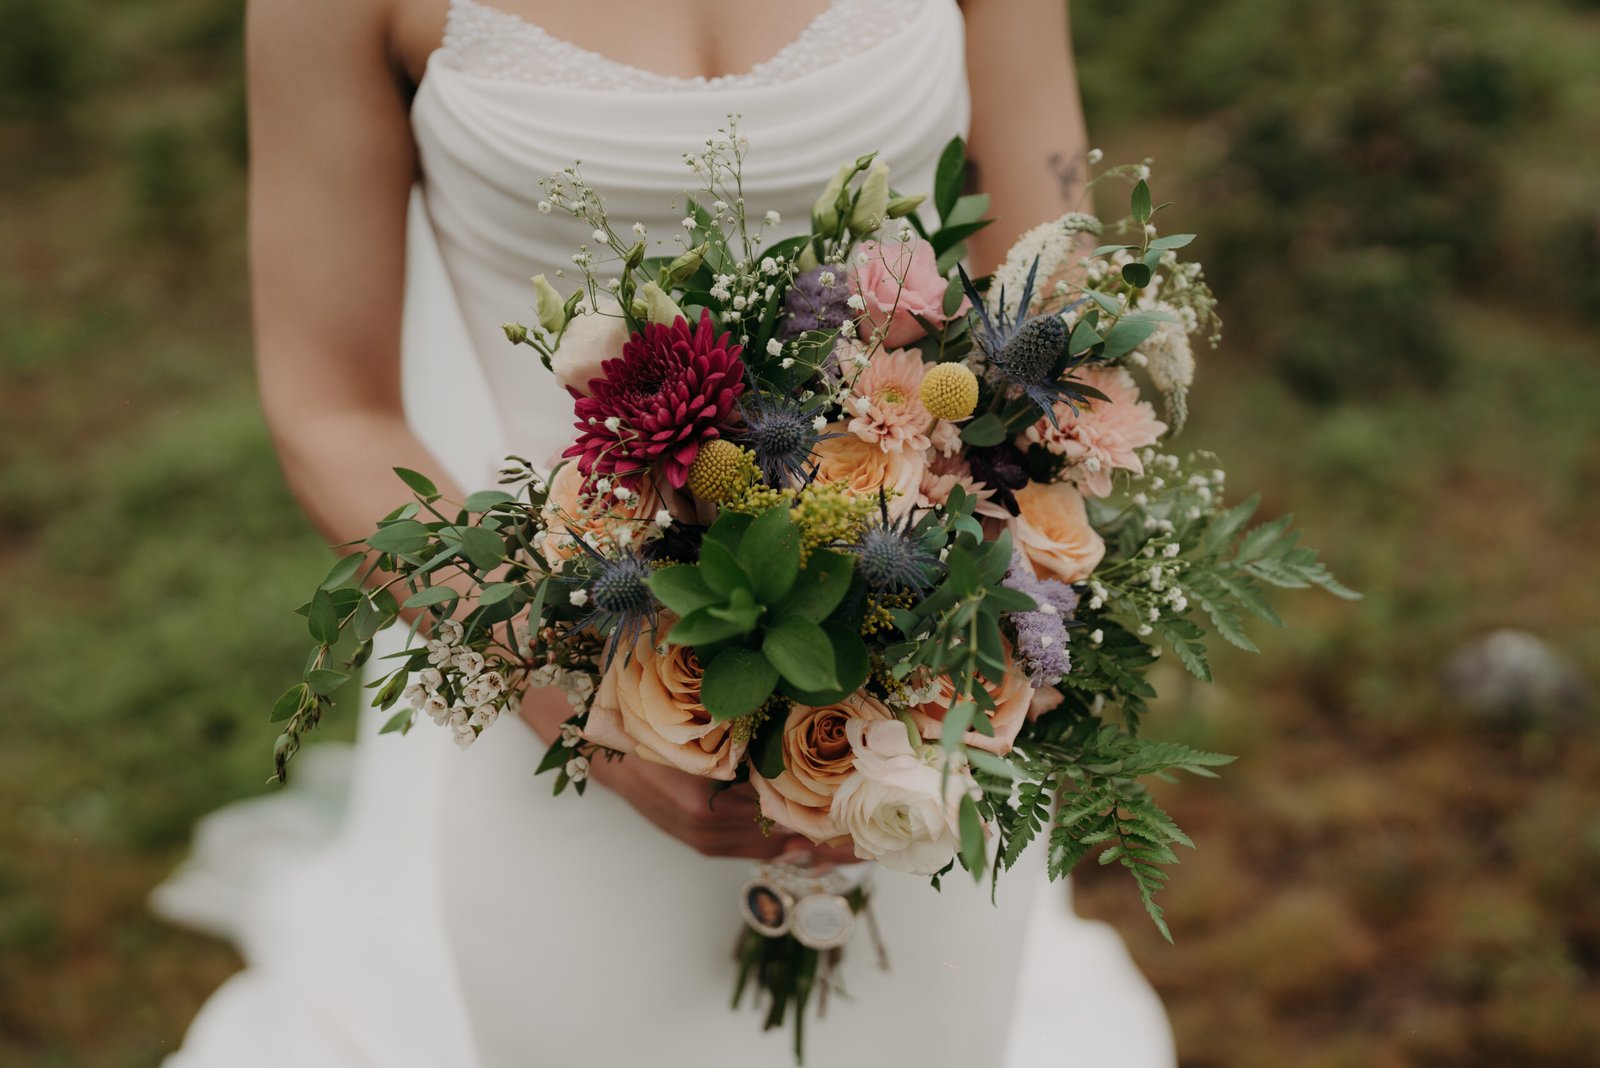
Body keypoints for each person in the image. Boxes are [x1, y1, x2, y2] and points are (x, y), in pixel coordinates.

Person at [155, 1, 1178, 1064]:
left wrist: (961, 615)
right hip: (558, 687)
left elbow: (1050, 297)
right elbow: (333, 411)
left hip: (923, 721)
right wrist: (586, 709)